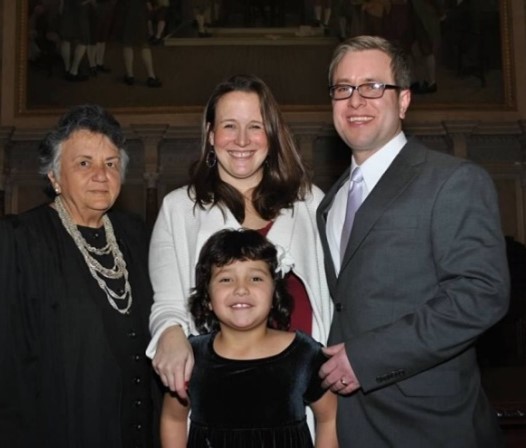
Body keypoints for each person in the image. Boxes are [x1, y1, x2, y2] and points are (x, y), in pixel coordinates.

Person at [317, 35, 510, 447]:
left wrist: (366, 358)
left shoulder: (452, 181)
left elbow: (482, 294)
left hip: (429, 426)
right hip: (348, 424)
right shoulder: (329, 201)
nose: (356, 101)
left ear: (403, 100)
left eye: (372, 87)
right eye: (343, 89)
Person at [147, 74, 333, 428]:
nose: (242, 140)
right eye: (229, 126)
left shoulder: (310, 203)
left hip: (301, 405)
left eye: (255, 127)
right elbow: (168, 303)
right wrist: (169, 334)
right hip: (216, 403)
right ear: (211, 134)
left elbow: (339, 296)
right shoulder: (178, 209)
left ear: (273, 135)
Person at [7, 104, 161, 448]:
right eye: (83, 163)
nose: (101, 174)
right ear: (54, 176)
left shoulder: (137, 236)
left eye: (110, 163)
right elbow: (10, 364)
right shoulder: (18, 240)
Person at [160, 228, 338, 448]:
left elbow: (329, 416)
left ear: (275, 294)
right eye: (226, 279)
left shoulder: (304, 354)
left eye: (255, 278)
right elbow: (173, 418)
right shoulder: (191, 357)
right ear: (207, 298)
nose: (241, 289)